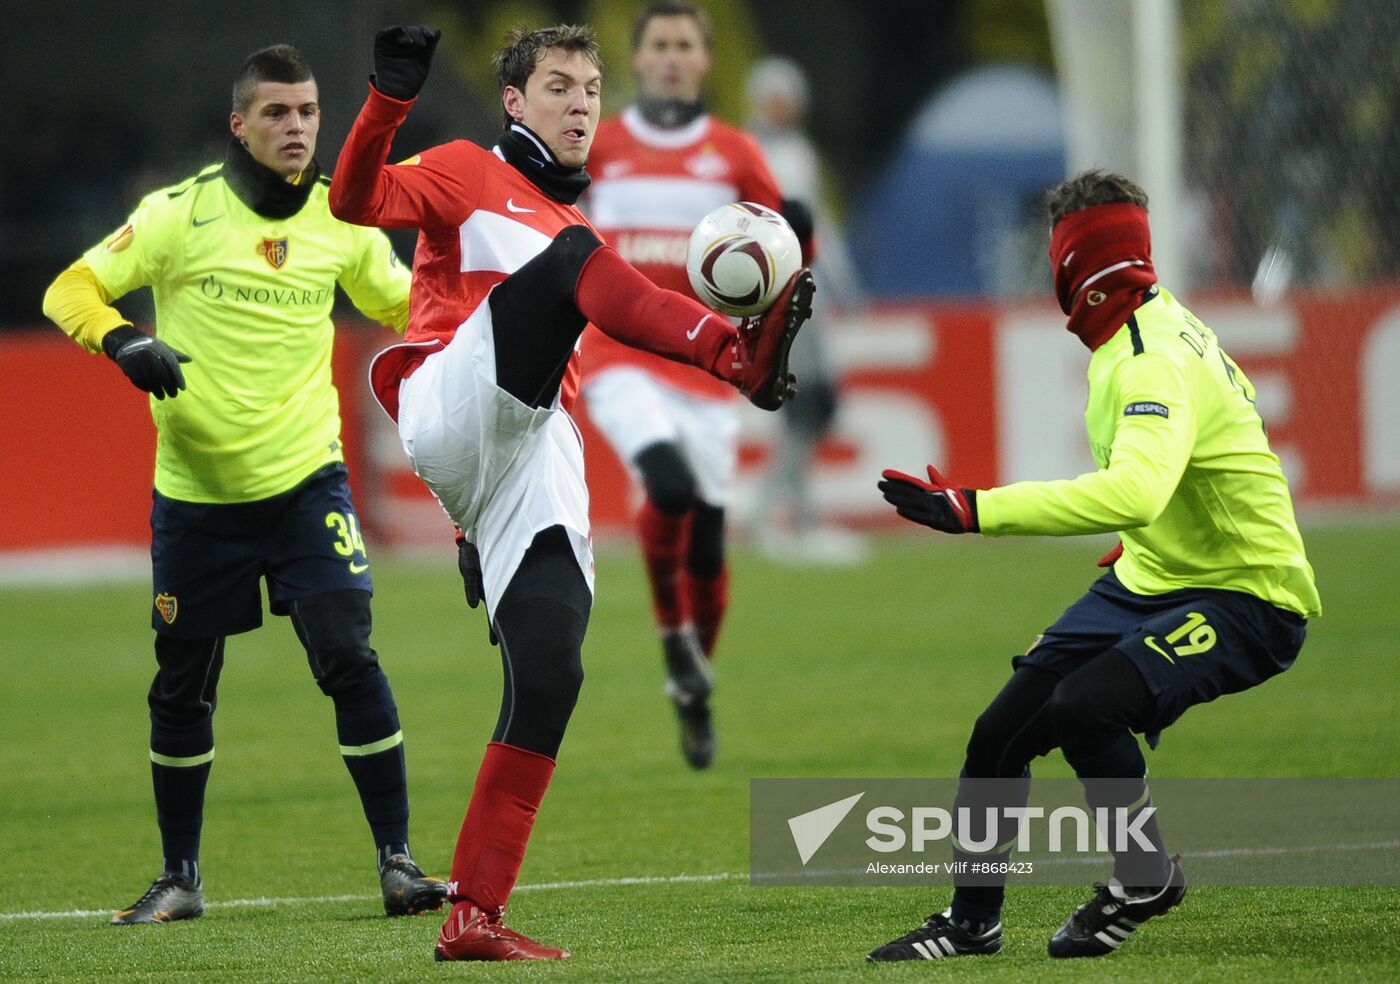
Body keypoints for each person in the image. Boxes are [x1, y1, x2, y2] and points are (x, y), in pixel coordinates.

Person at [328, 23, 811, 961]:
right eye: (558, 86)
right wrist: (388, 100)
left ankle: (474, 915)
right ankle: (732, 353)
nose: (582, 102)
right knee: (569, 268)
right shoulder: (469, 170)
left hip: (530, 448)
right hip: (443, 395)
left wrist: (475, 520)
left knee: (553, 671)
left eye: (592, 87)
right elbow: (355, 200)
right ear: (515, 102)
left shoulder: (574, 231)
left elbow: (561, 350)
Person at [866, 169, 1319, 962]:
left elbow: (1139, 491)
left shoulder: (1151, 359)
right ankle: (972, 924)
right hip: (1154, 577)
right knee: (998, 735)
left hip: (1249, 595)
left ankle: (1144, 876)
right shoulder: (1141, 333)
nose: (1053, 274)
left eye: (1058, 255)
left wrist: (979, 509)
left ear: (1082, 266)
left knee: (1085, 707)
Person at [41, 46, 448, 924]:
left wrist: (484, 304)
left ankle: (399, 864)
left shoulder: (342, 221)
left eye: (307, 112)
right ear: (240, 125)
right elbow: (69, 287)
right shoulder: (178, 217)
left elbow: (404, 303)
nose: (298, 127)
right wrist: (123, 341)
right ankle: (181, 878)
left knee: (348, 651)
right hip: (196, 499)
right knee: (183, 683)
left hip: (308, 485)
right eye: (278, 113)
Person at [580, 1, 804, 769]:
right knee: (667, 486)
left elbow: (782, 258)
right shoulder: (598, 148)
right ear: (637, 60)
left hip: (706, 368)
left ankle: (692, 687)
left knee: (708, 544)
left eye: (685, 45)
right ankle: (673, 637)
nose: (672, 57)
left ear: (705, 61)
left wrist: (796, 237)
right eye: (659, 45)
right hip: (617, 355)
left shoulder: (735, 155)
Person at [744, 56, 869, 567]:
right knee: (803, 404)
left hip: (808, 292)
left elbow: (820, 227)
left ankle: (783, 512)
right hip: (776, 294)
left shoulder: (797, 152)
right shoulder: (746, 151)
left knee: (817, 406)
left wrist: (843, 285)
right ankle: (788, 518)